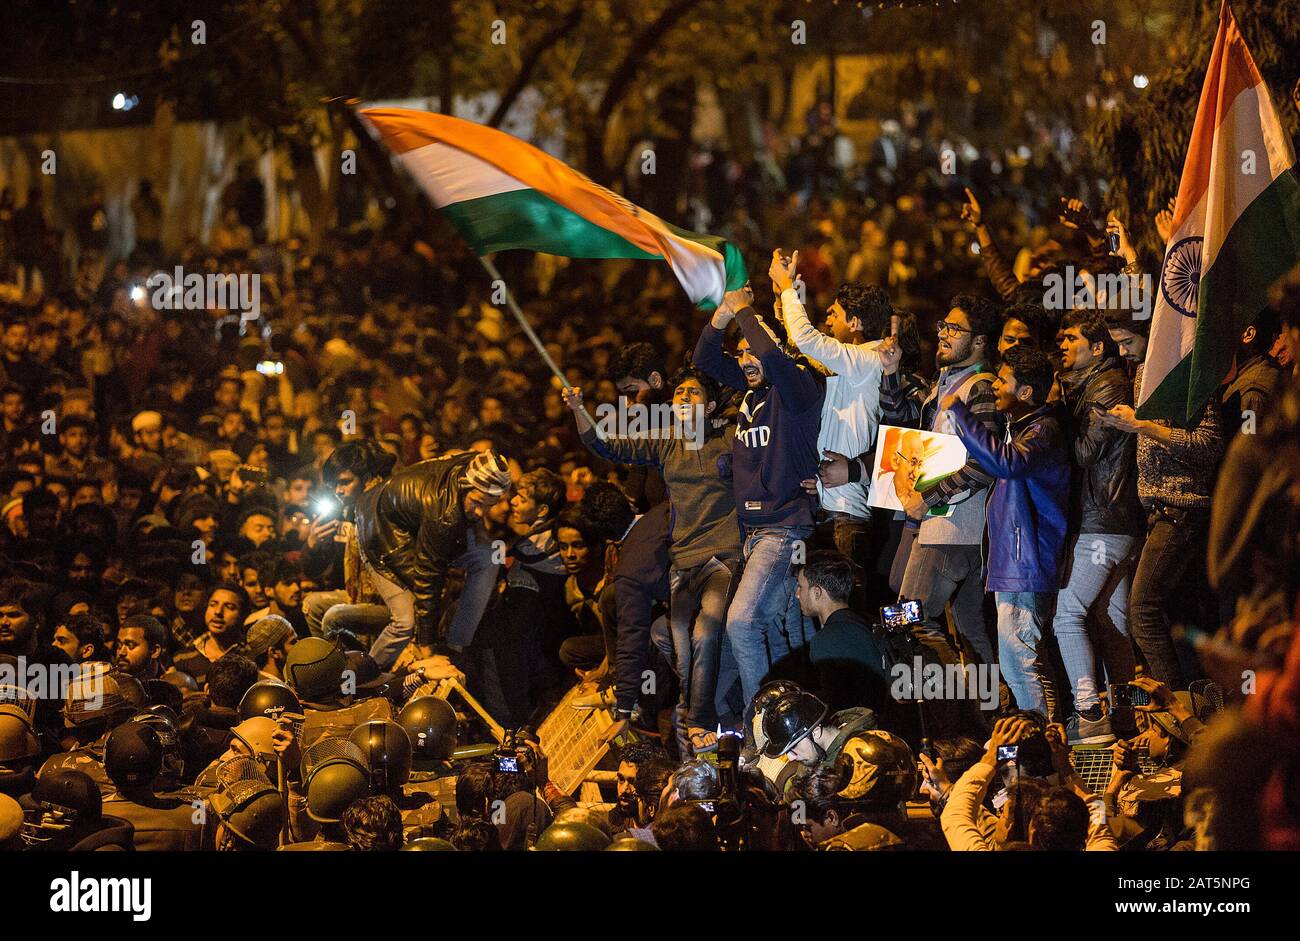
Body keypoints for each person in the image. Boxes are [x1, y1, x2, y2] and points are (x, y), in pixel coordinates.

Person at [564, 365, 740, 755]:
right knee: (679, 645)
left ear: (710, 406)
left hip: (723, 555)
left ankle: (700, 721)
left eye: (692, 393)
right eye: (678, 394)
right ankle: (699, 742)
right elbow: (611, 445)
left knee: (704, 633)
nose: (682, 398)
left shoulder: (730, 437)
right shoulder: (666, 442)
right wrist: (580, 410)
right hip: (684, 561)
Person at [694, 284, 824, 706]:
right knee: (775, 632)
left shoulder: (799, 388)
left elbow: (773, 357)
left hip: (785, 529)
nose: (747, 359)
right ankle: (793, 722)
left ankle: (760, 732)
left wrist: (746, 309)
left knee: (743, 624)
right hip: (755, 533)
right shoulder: (753, 391)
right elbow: (705, 359)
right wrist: (724, 314)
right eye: (742, 352)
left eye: (754, 349)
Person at [941, 345, 1069, 716]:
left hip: (1025, 560)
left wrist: (958, 412)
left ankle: (1040, 744)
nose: (995, 385)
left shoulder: (1043, 430)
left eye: (1003, 380)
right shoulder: (1026, 427)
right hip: (1016, 559)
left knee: (1018, 657)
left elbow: (1007, 464)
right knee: (1023, 655)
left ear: (1025, 392)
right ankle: (1045, 736)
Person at [879, 295, 1002, 671]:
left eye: (955, 329)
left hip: (948, 529)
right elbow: (903, 428)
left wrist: (927, 498)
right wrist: (890, 372)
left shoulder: (979, 388)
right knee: (967, 626)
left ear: (979, 341)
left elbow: (986, 463)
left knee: (906, 619)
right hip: (940, 526)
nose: (944, 334)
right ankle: (994, 710)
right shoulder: (945, 383)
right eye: (943, 326)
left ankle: (955, 702)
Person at [1096, 338, 1227, 690]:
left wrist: (1144, 426)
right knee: (1178, 615)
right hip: (1155, 511)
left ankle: (1175, 712)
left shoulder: (1188, 375)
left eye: (1126, 341)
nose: (1121, 351)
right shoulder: (1140, 372)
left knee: (1142, 609)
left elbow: (1209, 444)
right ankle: (1199, 708)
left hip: (1183, 509)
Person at [1051, 310, 1144, 742]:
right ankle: (1127, 717)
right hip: (1116, 521)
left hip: (1102, 521)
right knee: (1111, 619)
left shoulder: (1106, 386)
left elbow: (1086, 452)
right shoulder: (1096, 384)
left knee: (1068, 616)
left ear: (1098, 347)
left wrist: (1054, 409)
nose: (1064, 347)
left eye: (1072, 340)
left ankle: (1088, 712)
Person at [772, 251, 888, 581]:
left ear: (855, 323)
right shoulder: (853, 365)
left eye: (835, 312)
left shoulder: (865, 361)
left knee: (846, 613)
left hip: (847, 517)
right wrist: (784, 297)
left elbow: (808, 340)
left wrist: (786, 289)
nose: (827, 315)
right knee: (819, 608)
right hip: (831, 508)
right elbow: (801, 348)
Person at [353, 448, 512, 670]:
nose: (480, 513)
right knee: (404, 621)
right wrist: (427, 644)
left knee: (488, 558)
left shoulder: (474, 464)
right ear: (465, 485)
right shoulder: (443, 517)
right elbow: (427, 577)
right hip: (379, 531)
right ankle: (363, 677)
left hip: (409, 517)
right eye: (477, 502)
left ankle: (456, 644)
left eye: (488, 505)